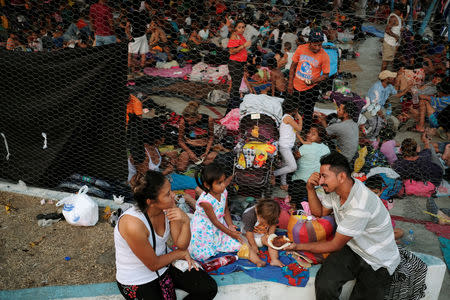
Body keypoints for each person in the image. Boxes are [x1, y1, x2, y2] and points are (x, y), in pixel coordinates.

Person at [286, 151, 400, 299]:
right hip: (353, 247)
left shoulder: (359, 205)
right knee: (325, 284)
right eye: (320, 176)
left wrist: (297, 246)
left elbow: (334, 245)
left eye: (324, 176)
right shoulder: (337, 191)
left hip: (378, 259)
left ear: (341, 177)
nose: (320, 181)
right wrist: (309, 188)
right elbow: (320, 212)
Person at [114, 170, 217, 300]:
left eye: (171, 190)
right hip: (138, 279)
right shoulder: (133, 224)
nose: (173, 195)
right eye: (168, 194)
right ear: (150, 201)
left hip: (164, 265)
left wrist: (185, 221)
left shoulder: (168, 207)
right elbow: (153, 265)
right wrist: (180, 254)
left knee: (208, 288)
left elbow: (181, 244)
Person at [189, 163, 242, 261]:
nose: (223, 186)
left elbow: (225, 210)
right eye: (219, 183)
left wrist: (230, 225)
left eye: (223, 181)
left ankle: (221, 242)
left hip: (219, 226)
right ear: (207, 185)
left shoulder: (223, 192)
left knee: (238, 245)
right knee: (201, 255)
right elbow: (215, 222)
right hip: (205, 229)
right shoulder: (206, 202)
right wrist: (230, 233)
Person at [288, 29, 330, 132]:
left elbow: (326, 74)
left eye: (320, 45)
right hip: (295, 85)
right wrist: (290, 83)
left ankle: (304, 132)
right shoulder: (301, 49)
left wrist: (314, 81)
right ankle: (289, 129)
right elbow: (292, 67)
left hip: (311, 89)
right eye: (315, 45)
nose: (317, 48)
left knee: (307, 112)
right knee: (291, 108)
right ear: (309, 42)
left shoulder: (324, 56)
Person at [290, 125, 330, 208]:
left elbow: (293, 158)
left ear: (319, 138)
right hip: (316, 184)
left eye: (313, 134)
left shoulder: (305, 147)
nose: (308, 135)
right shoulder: (327, 149)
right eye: (309, 133)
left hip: (299, 183)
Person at [177, 101, 218, 172]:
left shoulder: (208, 119)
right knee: (181, 168)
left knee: (214, 161)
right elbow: (180, 140)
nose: (189, 123)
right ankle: (193, 160)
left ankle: (200, 162)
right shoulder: (183, 121)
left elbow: (211, 137)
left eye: (191, 120)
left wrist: (206, 151)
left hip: (204, 148)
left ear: (196, 116)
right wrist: (190, 153)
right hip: (189, 147)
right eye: (187, 121)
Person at [242, 199, 283, 267]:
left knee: (272, 242)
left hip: (262, 235)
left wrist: (270, 236)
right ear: (259, 215)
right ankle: (258, 261)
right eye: (265, 222)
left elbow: (273, 225)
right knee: (245, 246)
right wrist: (254, 245)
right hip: (249, 237)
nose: (267, 224)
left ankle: (274, 259)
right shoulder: (249, 215)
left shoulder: (272, 214)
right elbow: (249, 232)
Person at [273, 100, 303, 190]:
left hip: (287, 146)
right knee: (293, 167)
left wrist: (302, 141)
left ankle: (283, 183)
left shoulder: (288, 118)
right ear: (294, 109)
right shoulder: (288, 118)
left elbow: (294, 131)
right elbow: (299, 129)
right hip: (285, 146)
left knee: (285, 165)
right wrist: (300, 118)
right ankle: (273, 174)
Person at [365, 175, 404, 241]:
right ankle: (383, 241)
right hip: (368, 231)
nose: (373, 196)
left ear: (381, 191)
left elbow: (385, 219)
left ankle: (381, 241)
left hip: (380, 230)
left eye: (375, 193)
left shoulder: (383, 203)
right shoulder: (362, 203)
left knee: (400, 232)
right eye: (369, 193)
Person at [227, 20, 251, 112]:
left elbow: (241, 49)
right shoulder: (234, 36)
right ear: (235, 28)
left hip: (240, 63)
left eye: (243, 27)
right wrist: (244, 45)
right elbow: (232, 51)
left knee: (236, 85)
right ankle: (233, 107)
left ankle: (234, 106)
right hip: (235, 64)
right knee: (235, 87)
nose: (242, 29)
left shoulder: (240, 36)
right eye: (239, 27)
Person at [126, 1, 150, 74]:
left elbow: (127, 27)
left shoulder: (130, 14)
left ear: (132, 6)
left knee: (130, 54)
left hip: (135, 36)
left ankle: (130, 71)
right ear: (140, 6)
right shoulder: (143, 14)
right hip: (143, 36)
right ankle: (142, 70)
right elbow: (148, 26)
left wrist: (129, 36)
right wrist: (145, 32)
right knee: (143, 54)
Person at [381, 4, 403, 71]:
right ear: (397, 10)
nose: (402, 13)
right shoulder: (393, 17)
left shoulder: (397, 17)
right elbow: (387, 30)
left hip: (392, 43)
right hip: (389, 43)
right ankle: (381, 79)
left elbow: (394, 28)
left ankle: (384, 77)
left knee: (389, 62)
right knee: (385, 63)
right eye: (401, 11)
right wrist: (396, 36)